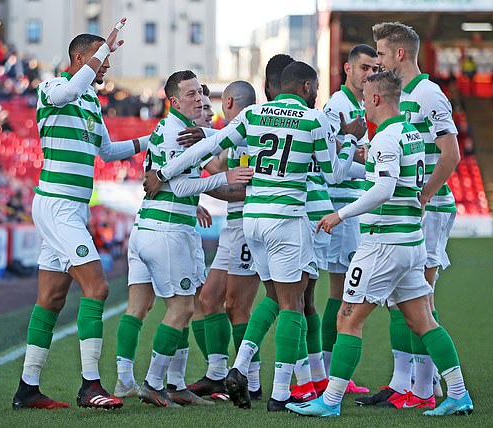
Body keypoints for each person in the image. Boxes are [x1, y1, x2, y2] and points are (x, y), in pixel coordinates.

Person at [143, 61, 345, 412]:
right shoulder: (316, 120)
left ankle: (237, 369)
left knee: (271, 297)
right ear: (309, 87)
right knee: (293, 304)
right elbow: (335, 175)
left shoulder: (254, 115)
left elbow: (208, 147)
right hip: (287, 219)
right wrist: (352, 143)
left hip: (251, 221)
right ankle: (282, 394)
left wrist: (163, 171)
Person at [286, 70, 473, 418]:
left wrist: (339, 215)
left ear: (375, 99)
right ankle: (459, 394)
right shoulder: (412, 134)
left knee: (348, 320)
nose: (362, 108)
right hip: (411, 242)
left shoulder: (386, 139)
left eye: (365, 100)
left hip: (382, 244)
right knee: (423, 322)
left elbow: (384, 190)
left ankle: (329, 402)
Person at [12, 18, 148, 410]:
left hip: (70, 209)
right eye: (99, 59)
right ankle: (90, 385)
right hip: (57, 206)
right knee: (99, 288)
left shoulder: (90, 101)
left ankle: (27, 389)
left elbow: (107, 152)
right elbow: (71, 86)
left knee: (52, 298)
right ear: (79, 57)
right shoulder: (55, 87)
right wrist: (104, 46)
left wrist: (149, 138)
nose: (105, 66)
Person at [113, 70, 252, 407]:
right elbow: (179, 185)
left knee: (141, 306)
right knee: (183, 307)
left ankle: (138, 380)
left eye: (202, 96)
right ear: (173, 100)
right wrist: (227, 177)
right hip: (168, 230)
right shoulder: (178, 133)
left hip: (148, 227)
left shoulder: (171, 129)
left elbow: (194, 177)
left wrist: (213, 190)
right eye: (191, 95)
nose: (200, 100)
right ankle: (155, 382)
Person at [355, 21, 461, 409]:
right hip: (407, 210)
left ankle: (425, 386)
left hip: (429, 210)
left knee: (421, 298)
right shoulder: (399, 98)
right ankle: (406, 384)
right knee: (404, 299)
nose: (375, 62)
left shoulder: (429, 94)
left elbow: (451, 155)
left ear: (399, 54)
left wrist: (424, 197)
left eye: (380, 54)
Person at [186, 81, 264, 400]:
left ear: (228, 101)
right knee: (208, 298)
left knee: (237, 307)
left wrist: (190, 186)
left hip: (247, 225)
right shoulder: (239, 136)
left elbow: (244, 189)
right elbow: (219, 168)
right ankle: (217, 375)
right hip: (233, 225)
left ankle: (253, 383)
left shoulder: (248, 136)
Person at [317, 44, 379, 396]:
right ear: (347, 69)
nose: (369, 74)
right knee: (340, 294)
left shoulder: (360, 105)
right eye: (364, 68)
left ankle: (331, 370)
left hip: (352, 208)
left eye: (374, 69)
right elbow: (331, 171)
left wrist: (365, 158)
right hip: (340, 208)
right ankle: (328, 369)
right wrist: (369, 164)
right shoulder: (336, 107)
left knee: (344, 294)